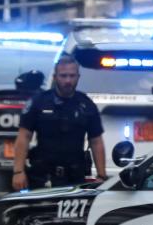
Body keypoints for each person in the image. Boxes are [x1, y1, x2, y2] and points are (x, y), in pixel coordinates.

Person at [12, 53, 107, 190]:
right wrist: (18, 171)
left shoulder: (86, 105)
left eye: (72, 76)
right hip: (43, 177)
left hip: (74, 178)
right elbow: (24, 136)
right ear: (55, 77)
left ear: (78, 77)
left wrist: (101, 176)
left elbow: (96, 141)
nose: (68, 80)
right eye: (63, 76)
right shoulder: (39, 102)